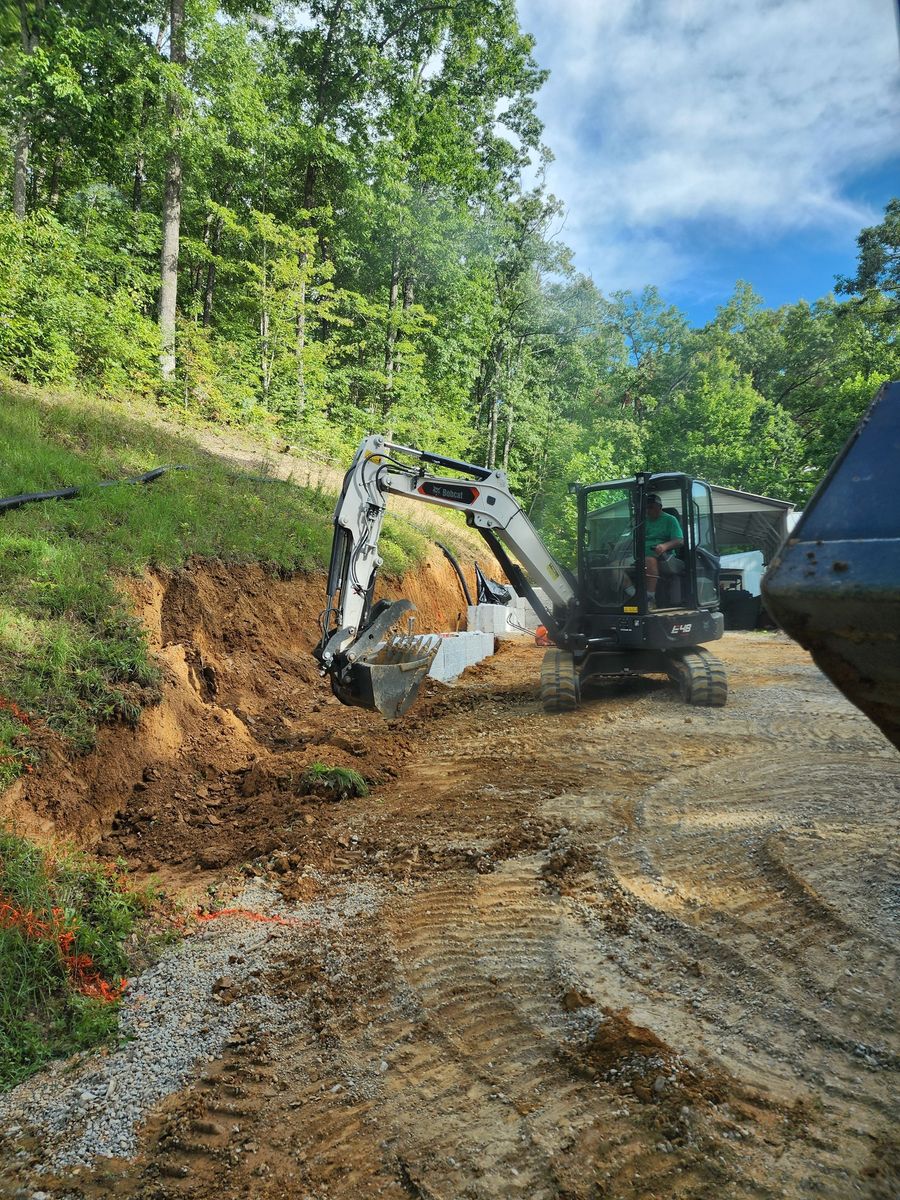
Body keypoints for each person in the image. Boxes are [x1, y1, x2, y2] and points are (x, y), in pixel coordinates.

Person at [631, 493, 683, 608]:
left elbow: (680, 540)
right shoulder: (641, 522)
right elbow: (631, 539)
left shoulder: (670, 520)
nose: (648, 510)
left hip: (664, 556)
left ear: (659, 507)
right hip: (638, 556)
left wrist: (664, 546)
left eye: (651, 507)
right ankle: (633, 596)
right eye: (646, 508)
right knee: (614, 567)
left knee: (649, 560)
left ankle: (650, 599)